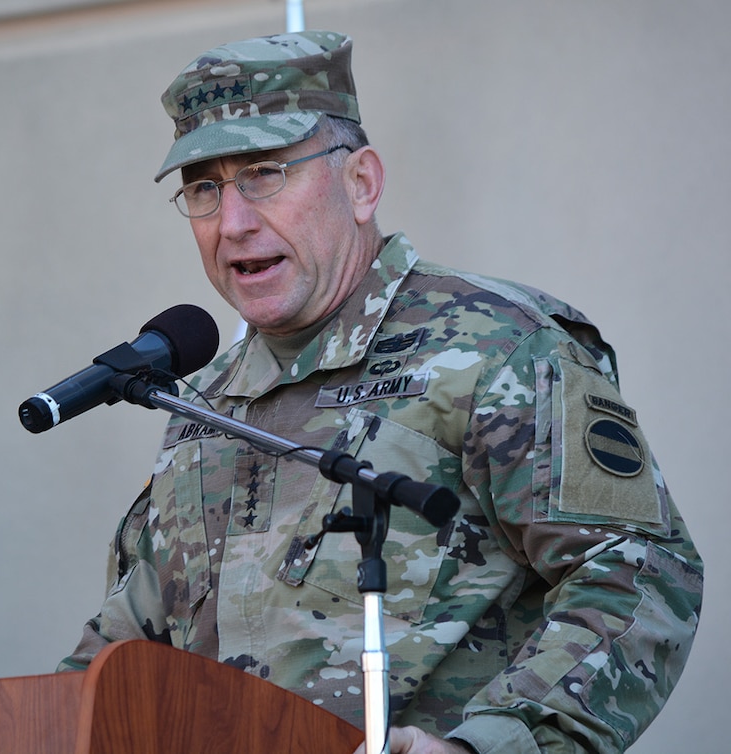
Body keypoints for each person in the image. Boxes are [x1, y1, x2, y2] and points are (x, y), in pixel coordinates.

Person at [57, 30, 703, 754]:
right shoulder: (203, 401)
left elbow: (639, 578)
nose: (232, 223)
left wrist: (486, 747)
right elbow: (127, 650)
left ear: (361, 182)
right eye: (205, 188)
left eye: (265, 174)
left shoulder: (496, 346)